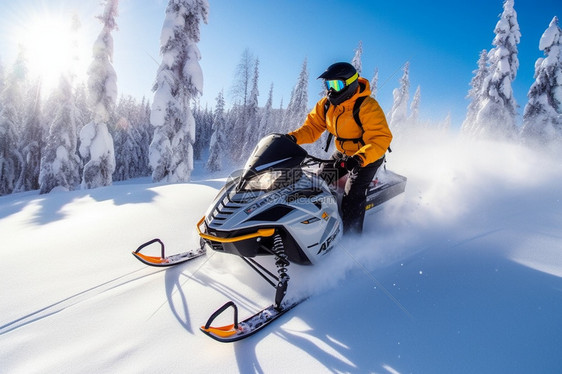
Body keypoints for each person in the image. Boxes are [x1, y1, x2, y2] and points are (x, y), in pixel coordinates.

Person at [286, 62, 392, 234]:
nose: (331, 90)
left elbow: (380, 138)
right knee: (317, 183)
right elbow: (311, 128)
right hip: (343, 154)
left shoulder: (367, 106)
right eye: (328, 84)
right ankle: (311, 228)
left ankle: (352, 237)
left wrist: (359, 158)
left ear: (350, 84)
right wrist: (291, 138)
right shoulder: (326, 105)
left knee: (353, 194)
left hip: (367, 156)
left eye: (336, 84)